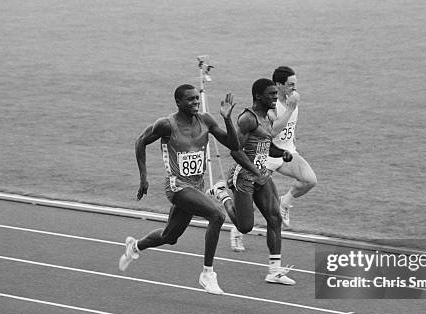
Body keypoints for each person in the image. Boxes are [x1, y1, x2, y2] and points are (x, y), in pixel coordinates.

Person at [118, 84, 249, 295]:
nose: (196, 102)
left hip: (196, 186)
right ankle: (207, 273)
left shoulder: (206, 120)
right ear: (179, 102)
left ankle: (135, 247)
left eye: (197, 98)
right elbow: (140, 141)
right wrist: (144, 178)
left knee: (170, 236)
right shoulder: (166, 125)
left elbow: (233, 146)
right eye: (190, 99)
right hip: (177, 186)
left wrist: (226, 118)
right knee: (217, 215)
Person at [207, 78, 295, 285]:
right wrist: (255, 170)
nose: (276, 97)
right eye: (272, 94)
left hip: (261, 174)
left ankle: (274, 271)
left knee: (275, 218)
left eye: (276, 93)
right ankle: (222, 193)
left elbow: (266, 145)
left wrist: (282, 153)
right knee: (245, 227)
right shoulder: (248, 118)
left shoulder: (268, 117)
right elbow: (235, 150)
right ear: (258, 96)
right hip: (245, 176)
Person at [229, 66, 317, 252]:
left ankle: (285, 203)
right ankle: (237, 231)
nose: (294, 88)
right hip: (266, 154)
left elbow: (290, 125)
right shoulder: (272, 106)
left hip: (286, 151)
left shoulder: (293, 98)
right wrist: (290, 108)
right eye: (290, 85)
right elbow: (272, 131)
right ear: (279, 85)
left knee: (310, 180)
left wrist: (292, 138)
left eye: (295, 84)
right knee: (250, 201)